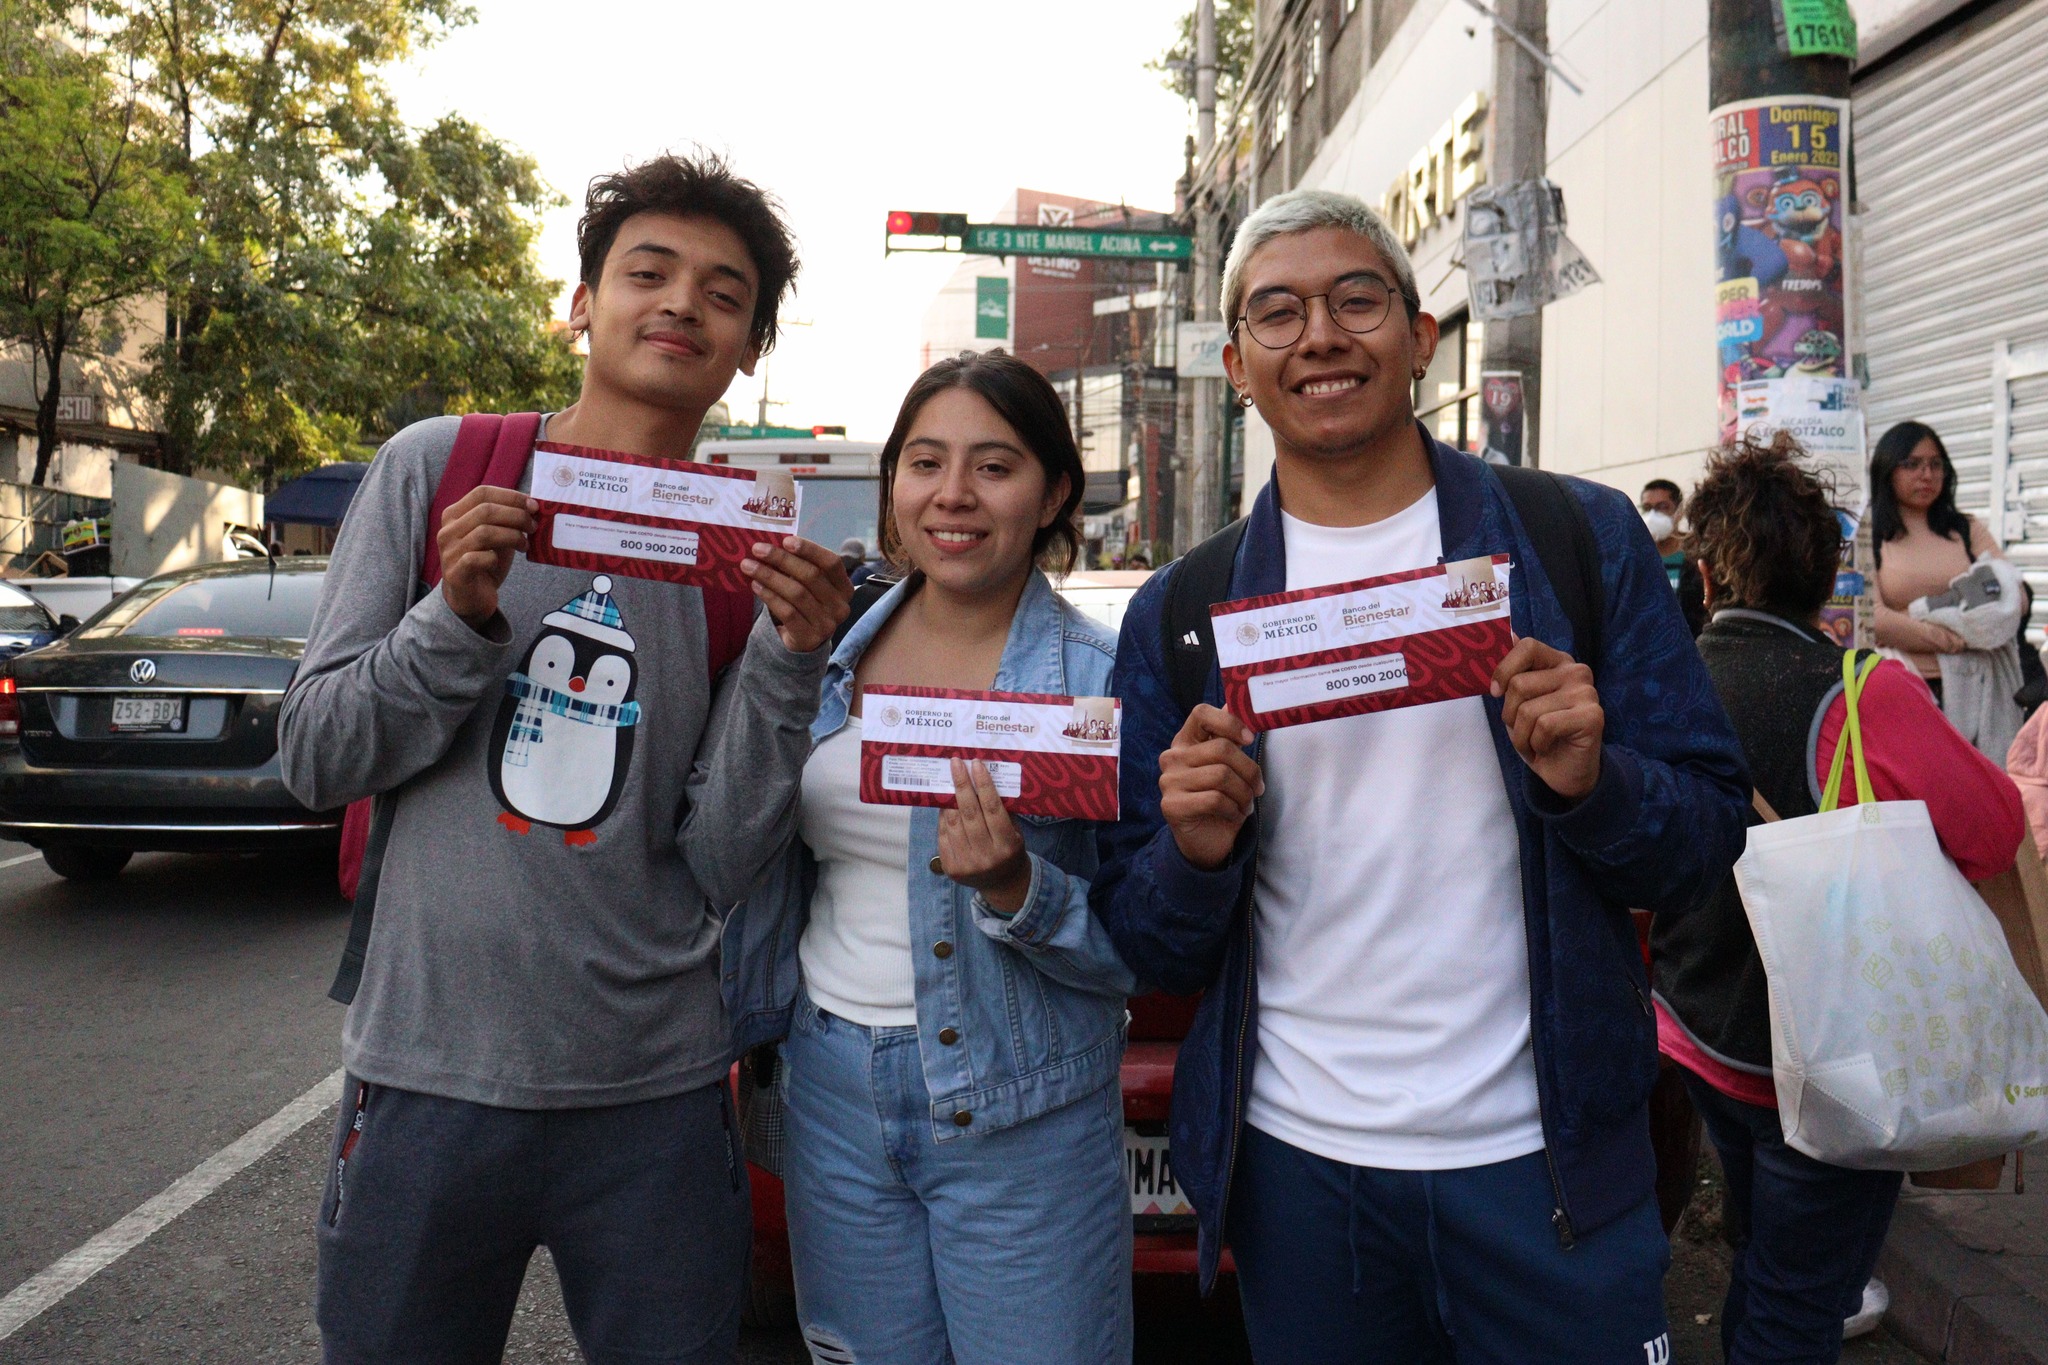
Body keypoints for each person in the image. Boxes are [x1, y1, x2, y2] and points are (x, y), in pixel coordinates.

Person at [1091, 188, 1751, 1364]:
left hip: (1545, 1165)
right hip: (1298, 1172)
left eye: (1356, 300)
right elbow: (1148, 939)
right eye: (1278, 315)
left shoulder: (1576, 542)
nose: (1322, 337)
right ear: (1237, 362)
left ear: (1419, 335)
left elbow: (1703, 837)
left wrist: (1590, 784)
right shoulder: (1183, 612)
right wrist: (1192, 854)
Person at [278, 152, 854, 1363]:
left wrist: (792, 664)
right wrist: (457, 616)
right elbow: (316, 756)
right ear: (581, 302)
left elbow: (720, 854)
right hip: (426, 1076)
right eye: (647, 272)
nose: (680, 305)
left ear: (750, 347)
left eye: (723, 292)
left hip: (655, 1101)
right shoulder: (444, 467)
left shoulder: (740, 544)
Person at [723, 351, 1134, 1365]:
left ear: (1053, 495)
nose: (953, 496)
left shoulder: (1098, 684)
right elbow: (725, 849)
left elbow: (1152, 940)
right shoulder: (817, 657)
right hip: (828, 1088)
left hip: (1019, 1103)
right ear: (893, 489)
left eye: (994, 467)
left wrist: (1018, 888)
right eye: (924, 462)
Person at [1656, 432, 2023, 1364]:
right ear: (1827, 582)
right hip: (1831, 1065)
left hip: (1695, 1032)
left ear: (1703, 579)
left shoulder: (1660, 689)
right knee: (1797, 1299)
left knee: (1763, 1261)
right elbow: (1990, 830)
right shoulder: (1865, 695)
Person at [1871, 421, 2024, 758]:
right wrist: (1961, 633)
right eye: (1912, 464)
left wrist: (1910, 623)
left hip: (1983, 688)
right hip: (1903, 692)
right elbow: (1874, 620)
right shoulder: (1870, 535)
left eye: (1935, 463)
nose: (1927, 474)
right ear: (1887, 469)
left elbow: (2013, 598)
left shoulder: (1966, 530)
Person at [1641, 477, 1707, 636]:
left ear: (1679, 511)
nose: (1653, 515)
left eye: (1662, 507)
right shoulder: (1638, 555)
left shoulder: (1698, 551)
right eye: (1647, 508)